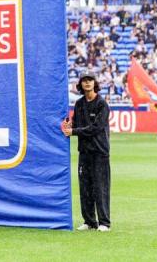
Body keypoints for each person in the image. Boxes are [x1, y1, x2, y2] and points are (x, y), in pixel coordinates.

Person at [62, 71, 111, 231]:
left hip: (99, 152)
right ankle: (89, 221)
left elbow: (96, 127)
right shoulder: (79, 104)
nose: (87, 83)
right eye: (84, 80)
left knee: (100, 188)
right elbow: (75, 122)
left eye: (90, 80)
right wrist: (69, 125)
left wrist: (74, 131)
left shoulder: (102, 104)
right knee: (85, 188)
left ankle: (104, 223)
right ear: (81, 84)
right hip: (84, 152)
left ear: (95, 83)